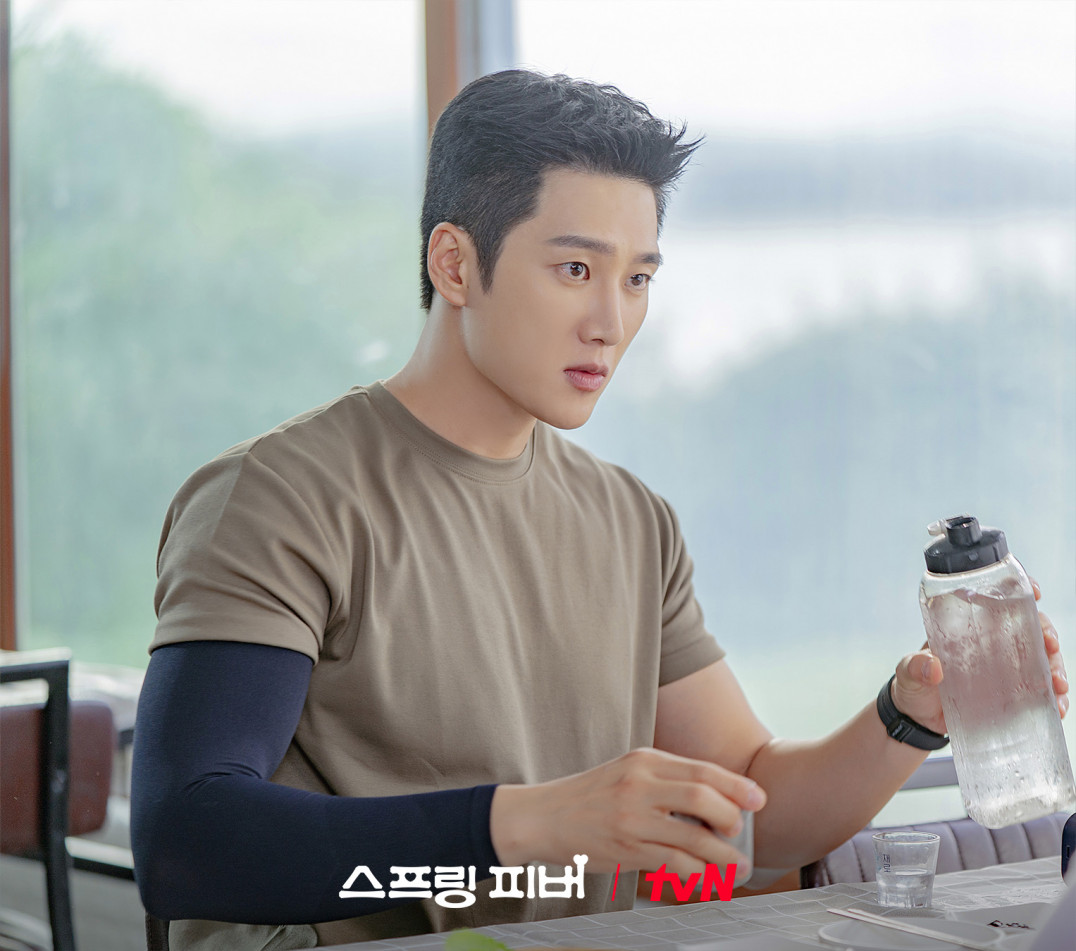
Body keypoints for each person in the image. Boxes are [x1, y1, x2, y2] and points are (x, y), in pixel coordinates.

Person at [131, 70, 1070, 951]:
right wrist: (525, 822)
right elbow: (187, 842)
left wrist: (909, 715)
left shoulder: (631, 520)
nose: (611, 323)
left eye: (638, 278)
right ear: (455, 264)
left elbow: (751, 817)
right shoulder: (280, 496)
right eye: (576, 269)